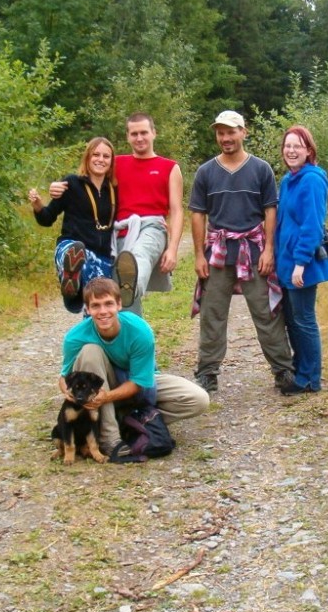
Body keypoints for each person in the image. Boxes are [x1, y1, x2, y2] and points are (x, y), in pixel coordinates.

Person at [189, 110, 296, 394]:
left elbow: (270, 210)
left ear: (243, 132)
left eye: (231, 132)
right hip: (219, 251)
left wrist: (269, 249)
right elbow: (198, 214)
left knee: (267, 312)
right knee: (212, 314)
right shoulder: (206, 172)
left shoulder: (260, 169)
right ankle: (207, 372)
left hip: (253, 249)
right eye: (221, 133)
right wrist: (199, 255)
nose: (226, 138)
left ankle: (283, 370)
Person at [60, 278, 209, 460]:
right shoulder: (74, 338)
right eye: (96, 306)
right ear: (88, 309)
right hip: (100, 381)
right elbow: (64, 377)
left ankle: (129, 420)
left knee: (198, 399)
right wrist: (67, 392)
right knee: (90, 351)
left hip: (135, 381)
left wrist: (107, 397)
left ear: (119, 304)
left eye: (108, 304)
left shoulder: (139, 331)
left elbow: (140, 382)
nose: (103, 311)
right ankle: (109, 438)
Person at [274, 125, 328, 394]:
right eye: (287, 146)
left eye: (297, 146)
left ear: (309, 150)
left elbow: (312, 225)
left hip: (303, 265)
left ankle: (311, 378)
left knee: (304, 319)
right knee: (291, 318)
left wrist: (300, 262)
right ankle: (300, 371)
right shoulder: (289, 180)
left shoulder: (312, 179)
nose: (291, 150)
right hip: (287, 263)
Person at [107, 112, 184, 316]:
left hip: (153, 227)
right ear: (127, 136)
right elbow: (87, 181)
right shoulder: (116, 164)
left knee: (135, 259)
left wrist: (173, 249)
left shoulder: (169, 167)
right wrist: (60, 187)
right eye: (134, 134)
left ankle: (131, 285)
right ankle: (131, 342)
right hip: (120, 231)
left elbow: (177, 210)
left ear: (153, 133)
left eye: (144, 132)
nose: (139, 138)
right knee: (117, 292)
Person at [31, 137, 117, 313]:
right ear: (87, 157)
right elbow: (47, 219)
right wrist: (38, 205)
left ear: (111, 161)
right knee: (75, 252)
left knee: (98, 302)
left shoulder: (115, 189)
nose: (100, 159)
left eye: (106, 156)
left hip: (101, 255)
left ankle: (92, 329)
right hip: (71, 245)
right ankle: (70, 277)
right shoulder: (71, 183)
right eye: (96, 154)